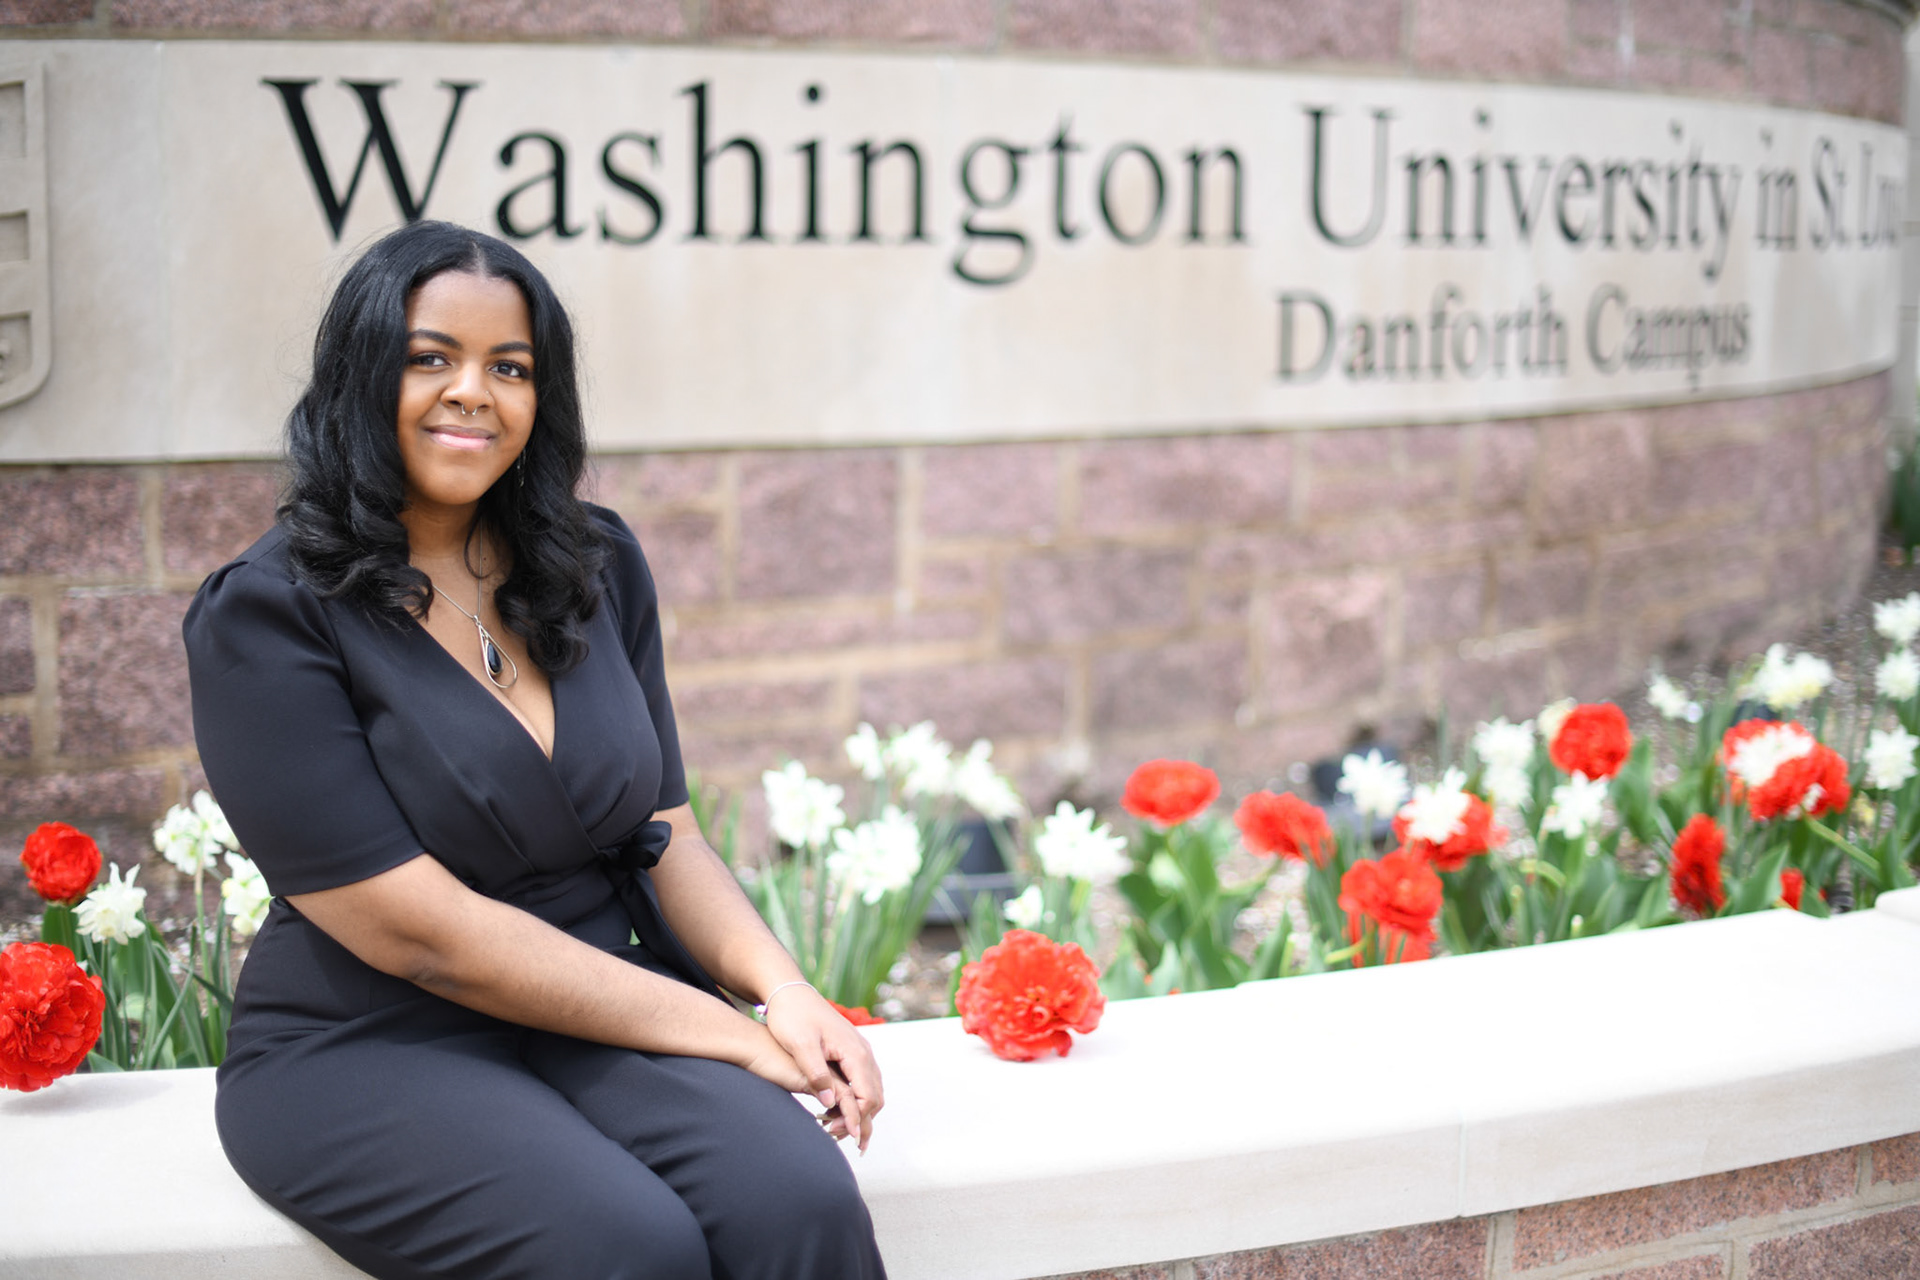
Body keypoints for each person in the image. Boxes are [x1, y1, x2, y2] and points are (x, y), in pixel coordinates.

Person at [184, 220, 888, 1280]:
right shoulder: (270, 612)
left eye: (509, 367)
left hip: (593, 1006)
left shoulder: (595, 563)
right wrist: (731, 1033)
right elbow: (425, 936)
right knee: (625, 1247)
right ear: (362, 373)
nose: (473, 392)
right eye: (431, 358)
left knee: (799, 1200)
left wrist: (784, 993)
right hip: (368, 1038)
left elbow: (666, 830)